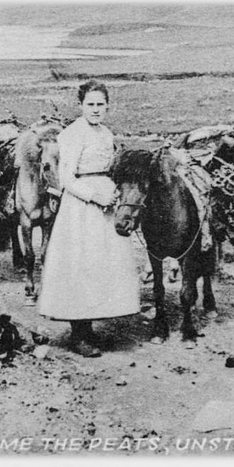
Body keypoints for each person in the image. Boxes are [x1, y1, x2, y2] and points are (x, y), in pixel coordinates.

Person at [38, 80, 139, 358]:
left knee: (101, 265)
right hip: (81, 207)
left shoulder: (106, 133)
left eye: (100, 104)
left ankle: (90, 328)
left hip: (106, 205)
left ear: (107, 106)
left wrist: (115, 193)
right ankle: (78, 334)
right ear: (81, 105)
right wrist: (95, 196)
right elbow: (66, 178)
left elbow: (108, 169)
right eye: (90, 104)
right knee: (80, 264)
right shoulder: (72, 134)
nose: (95, 110)